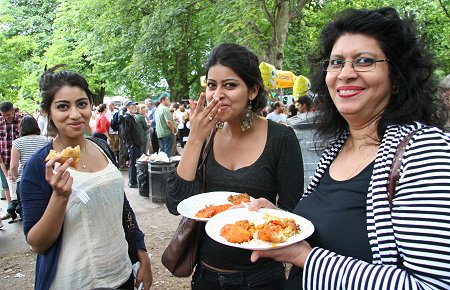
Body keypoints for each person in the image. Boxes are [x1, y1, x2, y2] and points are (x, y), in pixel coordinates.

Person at [248, 7, 450, 289]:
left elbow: (433, 284)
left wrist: (307, 258)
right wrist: (280, 221)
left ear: (397, 77)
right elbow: (330, 226)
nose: (346, 74)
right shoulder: (337, 147)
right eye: (336, 62)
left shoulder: (425, 153)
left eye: (364, 61)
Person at [166, 43, 304, 289]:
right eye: (211, 85)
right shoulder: (204, 137)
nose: (217, 94)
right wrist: (195, 139)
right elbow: (176, 204)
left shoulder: (281, 138)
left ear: (252, 91)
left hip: (261, 277)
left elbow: (293, 210)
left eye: (230, 85)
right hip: (206, 276)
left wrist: (273, 212)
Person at [20, 65, 152, 290]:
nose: (75, 114)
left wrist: (141, 252)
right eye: (63, 106)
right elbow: (37, 244)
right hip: (74, 282)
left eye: (81, 104)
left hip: (121, 276)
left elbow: (122, 206)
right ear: (47, 112)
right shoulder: (39, 166)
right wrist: (60, 197)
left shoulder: (102, 147)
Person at [7, 116, 49, 224]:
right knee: (46, 211)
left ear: (21, 128)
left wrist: (17, 178)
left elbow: (13, 167)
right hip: (45, 179)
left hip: (25, 181)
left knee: (29, 214)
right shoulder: (46, 140)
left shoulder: (17, 143)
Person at [0, 101, 22, 219]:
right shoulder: (0, 122)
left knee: (19, 183)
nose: (6, 118)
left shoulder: (22, 120)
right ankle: (10, 209)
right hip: (5, 158)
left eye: (8, 115)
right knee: (6, 184)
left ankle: (21, 208)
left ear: (13, 111)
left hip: (20, 158)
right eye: (4, 115)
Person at [121, 101, 143, 188]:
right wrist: (130, 144)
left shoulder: (131, 117)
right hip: (133, 144)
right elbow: (125, 133)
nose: (135, 107)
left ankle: (133, 180)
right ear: (128, 107)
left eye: (135, 106)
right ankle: (132, 181)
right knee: (133, 163)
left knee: (135, 163)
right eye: (133, 106)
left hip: (136, 143)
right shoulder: (127, 118)